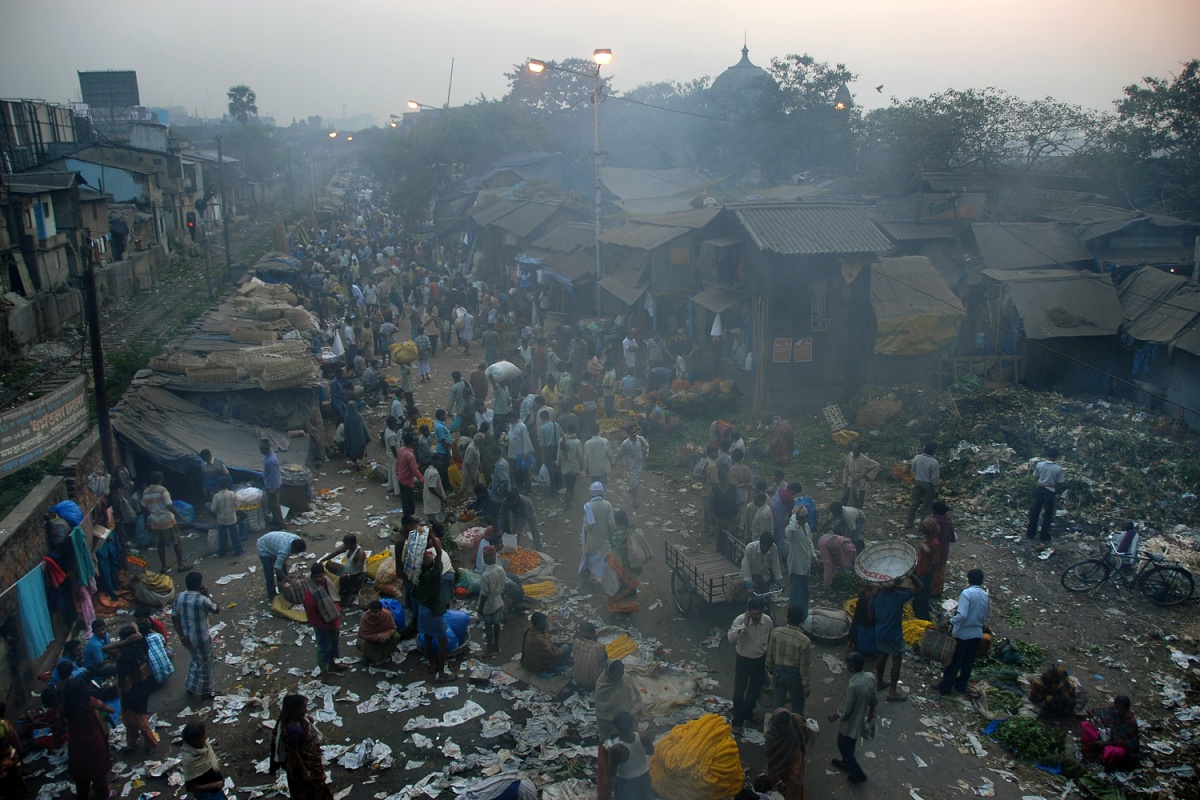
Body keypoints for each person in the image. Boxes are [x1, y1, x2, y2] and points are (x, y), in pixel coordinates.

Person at [60, 677, 115, 800]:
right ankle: (103, 795)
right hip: (94, 741)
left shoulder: (65, 708)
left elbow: (60, 724)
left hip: (76, 744)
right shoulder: (90, 702)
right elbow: (110, 710)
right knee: (99, 774)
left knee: (81, 776)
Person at [937, 568, 989, 695]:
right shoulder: (985, 595)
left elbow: (962, 615)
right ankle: (961, 685)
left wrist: (949, 622)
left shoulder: (967, 593)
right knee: (968, 663)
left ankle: (946, 686)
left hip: (964, 634)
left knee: (955, 662)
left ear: (969, 579)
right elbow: (984, 616)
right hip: (977, 634)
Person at [827, 651, 876, 785]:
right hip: (860, 718)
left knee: (843, 745)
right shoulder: (870, 677)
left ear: (852, 667)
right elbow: (873, 698)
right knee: (850, 744)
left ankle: (857, 773)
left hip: (850, 722)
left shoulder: (853, 686)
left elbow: (846, 709)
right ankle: (846, 763)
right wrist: (871, 711)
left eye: (847, 664)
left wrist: (834, 715)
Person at [273, 694, 334, 800]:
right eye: (303, 708)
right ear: (294, 711)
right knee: (309, 792)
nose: (305, 710)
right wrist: (305, 772)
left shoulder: (299, 720)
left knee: (319, 787)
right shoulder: (294, 731)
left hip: (311, 761)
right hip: (304, 766)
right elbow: (294, 752)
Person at [728, 596, 774, 734]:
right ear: (748, 612)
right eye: (754, 614)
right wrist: (744, 626)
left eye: (759, 613)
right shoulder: (740, 620)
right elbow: (731, 638)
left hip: (759, 660)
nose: (757, 617)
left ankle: (748, 712)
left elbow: (770, 639)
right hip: (743, 659)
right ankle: (737, 721)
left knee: (754, 690)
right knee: (739, 691)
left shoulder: (767, 621)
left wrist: (769, 660)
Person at [173, 571, 220, 700]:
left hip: (187, 636)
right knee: (206, 663)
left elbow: (174, 617)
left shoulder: (179, 597)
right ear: (199, 584)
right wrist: (207, 594)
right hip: (201, 638)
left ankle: (191, 687)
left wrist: (181, 636)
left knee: (194, 661)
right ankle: (205, 692)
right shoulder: (202, 600)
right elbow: (216, 609)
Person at [872, 576, 918, 702]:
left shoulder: (877, 595)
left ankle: (879, 681)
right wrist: (912, 574)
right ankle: (892, 691)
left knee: (883, 654)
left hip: (880, 631)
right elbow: (920, 587)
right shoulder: (898, 596)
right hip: (894, 634)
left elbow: (870, 613)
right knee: (896, 660)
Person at [114, 625, 158, 755]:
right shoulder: (142, 645)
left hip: (131, 692)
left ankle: (151, 744)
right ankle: (132, 741)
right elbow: (133, 625)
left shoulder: (122, 654)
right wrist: (137, 633)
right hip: (142, 687)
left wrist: (124, 642)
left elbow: (104, 648)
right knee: (132, 718)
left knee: (138, 720)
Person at [142, 471, 193, 573]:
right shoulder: (162, 490)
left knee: (160, 544)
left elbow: (145, 509)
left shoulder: (145, 492)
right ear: (160, 480)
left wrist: (146, 522)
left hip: (155, 522)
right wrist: (180, 517)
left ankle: (164, 566)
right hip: (167, 520)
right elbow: (169, 505)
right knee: (176, 541)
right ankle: (181, 564)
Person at [414, 547, 453, 683]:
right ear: (432, 564)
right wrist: (430, 533)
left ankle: (432, 664)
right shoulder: (435, 574)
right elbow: (440, 552)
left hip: (422, 609)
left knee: (428, 636)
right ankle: (441, 673)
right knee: (443, 640)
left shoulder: (418, 575)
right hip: (433, 611)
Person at [766, 605, 812, 716]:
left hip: (778, 672)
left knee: (777, 704)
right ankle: (796, 727)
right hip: (794, 676)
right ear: (802, 619)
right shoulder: (804, 640)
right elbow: (804, 667)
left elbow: (769, 655)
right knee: (797, 706)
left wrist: (770, 669)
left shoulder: (776, 632)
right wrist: (806, 686)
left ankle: (776, 727)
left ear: (787, 617)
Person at [302, 563, 346, 677]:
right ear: (312, 576)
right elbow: (312, 616)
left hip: (333, 620)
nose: (319, 579)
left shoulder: (327, 582)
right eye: (316, 577)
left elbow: (333, 597)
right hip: (322, 624)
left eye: (321, 576)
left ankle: (332, 664)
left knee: (333, 644)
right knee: (324, 648)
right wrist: (322, 625)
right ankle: (324, 673)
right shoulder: (310, 595)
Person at [1081, 696, 1139, 771]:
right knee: (1085, 725)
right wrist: (1100, 723)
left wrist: (1106, 743)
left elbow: (1125, 744)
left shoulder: (1130, 723)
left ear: (1127, 710)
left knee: (1114, 751)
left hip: (1120, 746)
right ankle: (1091, 750)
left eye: (1121, 710)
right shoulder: (1111, 710)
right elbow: (1091, 711)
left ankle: (1107, 763)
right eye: (1116, 708)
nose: (1117, 711)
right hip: (1109, 736)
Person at [606, 711, 654, 800]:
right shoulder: (643, 736)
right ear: (631, 724)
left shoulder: (617, 749)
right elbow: (651, 751)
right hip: (644, 777)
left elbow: (612, 771)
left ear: (618, 728)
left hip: (626, 782)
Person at [763, 707, 808, 800]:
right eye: (782, 727)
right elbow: (771, 761)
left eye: (787, 725)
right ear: (776, 725)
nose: (785, 729)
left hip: (793, 762)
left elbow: (804, 732)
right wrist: (779, 781)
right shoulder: (771, 737)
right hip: (777, 769)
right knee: (777, 790)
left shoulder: (793, 724)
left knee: (793, 785)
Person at [605, 510, 643, 613]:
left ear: (617, 521)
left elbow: (613, 552)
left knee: (620, 587)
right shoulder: (632, 530)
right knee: (630, 588)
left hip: (623, 567)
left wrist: (607, 559)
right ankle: (631, 606)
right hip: (633, 565)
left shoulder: (617, 535)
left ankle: (620, 607)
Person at [1026, 446, 1065, 545]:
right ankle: (1044, 535)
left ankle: (1030, 533)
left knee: (1035, 511)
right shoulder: (1058, 469)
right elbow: (1060, 482)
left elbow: (1036, 476)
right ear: (1056, 457)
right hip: (1050, 491)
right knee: (1048, 514)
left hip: (1040, 489)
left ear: (1047, 455)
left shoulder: (1039, 465)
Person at [595, 659, 642, 738]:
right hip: (609, 722)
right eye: (617, 675)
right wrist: (618, 720)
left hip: (627, 717)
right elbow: (602, 711)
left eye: (621, 674)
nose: (620, 677)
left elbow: (636, 698)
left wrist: (628, 714)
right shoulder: (602, 686)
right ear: (610, 674)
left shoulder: (625, 678)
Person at [181, 722, 227, 800]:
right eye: (202, 738)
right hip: (208, 795)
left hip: (217, 789)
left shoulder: (203, 747)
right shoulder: (190, 760)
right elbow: (190, 787)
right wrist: (215, 785)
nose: (205, 738)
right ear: (192, 740)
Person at [581, 482, 615, 583]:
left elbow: (586, 525)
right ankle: (600, 574)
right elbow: (611, 523)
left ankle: (587, 570)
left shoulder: (588, 506)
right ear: (602, 492)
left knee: (589, 554)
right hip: (604, 537)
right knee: (601, 558)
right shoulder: (607, 505)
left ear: (591, 493)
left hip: (592, 538)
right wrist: (611, 535)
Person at [256, 531, 306, 601]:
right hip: (263, 547)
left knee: (283, 567)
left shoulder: (297, 539)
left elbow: (281, 563)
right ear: (293, 549)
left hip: (273, 543)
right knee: (269, 573)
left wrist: (283, 563)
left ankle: (283, 589)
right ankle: (272, 596)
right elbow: (277, 568)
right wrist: (288, 580)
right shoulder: (284, 551)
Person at [784, 506, 814, 619]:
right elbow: (790, 531)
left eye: (806, 516)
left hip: (806, 566)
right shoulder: (792, 530)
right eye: (802, 517)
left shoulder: (806, 526)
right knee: (796, 594)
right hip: (797, 566)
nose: (804, 519)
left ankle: (803, 616)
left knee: (805, 593)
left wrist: (814, 555)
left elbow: (809, 542)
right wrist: (794, 516)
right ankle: (793, 618)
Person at [321, 534, 367, 604]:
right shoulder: (348, 548)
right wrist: (322, 560)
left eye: (346, 544)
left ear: (351, 544)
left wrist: (348, 575)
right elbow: (336, 552)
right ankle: (344, 585)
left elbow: (360, 571)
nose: (344, 546)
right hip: (346, 569)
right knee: (329, 564)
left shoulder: (359, 553)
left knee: (343, 579)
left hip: (356, 575)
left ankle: (349, 593)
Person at [478, 546, 506, 656]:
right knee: (497, 624)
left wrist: (480, 609)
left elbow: (484, 594)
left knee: (488, 626)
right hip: (499, 601)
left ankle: (489, 648)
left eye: (485, 556)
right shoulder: (500, 569)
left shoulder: (486, 575)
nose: (484, 558)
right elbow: (503, 586)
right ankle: (496, 645)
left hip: (489, 604)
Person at [905, 443, 940, 530]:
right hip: (928, 485)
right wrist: (936, 489)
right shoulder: (934, 462)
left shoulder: (917, 457)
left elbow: (913, 470)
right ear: (933, 451)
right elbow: (935, 478)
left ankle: (909, 523)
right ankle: (922, 528)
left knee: (914, 504)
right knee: (926, 507)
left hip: (917, 482)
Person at [911, 520, 941, 621]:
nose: (923, 529)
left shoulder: (934, 543)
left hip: (925, 574)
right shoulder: (926, 539)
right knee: (917, 595)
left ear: (930, 530)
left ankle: (922, 618)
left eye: (925, 528)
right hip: (920, 570)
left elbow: (935, 563)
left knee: (922, 597)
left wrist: (926, 574)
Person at [614, 424, 649, 509]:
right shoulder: (625, 444)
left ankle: (632, 493)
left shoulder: (640, 439)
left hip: (640, 463)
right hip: (632, 465)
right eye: (632, 433)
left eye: (634, 432)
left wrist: (646, 454)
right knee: (634, 481)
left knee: (635, 480)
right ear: (628, 433)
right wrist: (614, 461)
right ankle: (635, 499)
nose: (634, 434)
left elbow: (647, 446)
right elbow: (620, 454)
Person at [356, 599, 400, 666]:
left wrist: (386, 635)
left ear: (381, 610)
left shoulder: (387, 614)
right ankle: (368, 655)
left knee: (396, 636)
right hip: (371, 640)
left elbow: (392, 628)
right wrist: (376, 637)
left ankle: (387, 652)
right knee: (360, 642)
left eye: (376, 612)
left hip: (385, 638)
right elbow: (361, 634)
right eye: (372, 611)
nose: (373, 614)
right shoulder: (365, 617)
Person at [208, 477, 243, 557]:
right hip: (232, 518)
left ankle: (222, 553)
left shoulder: (216, 496)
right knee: (234, 536)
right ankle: (239, 551)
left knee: (222, 537)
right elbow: (237, 505)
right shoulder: (232, 494)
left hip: (221, 519)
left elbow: (213, 509)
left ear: (218, 486)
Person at [926, 500, 956, 597]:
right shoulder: (948, 520)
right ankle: (937, 591)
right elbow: (952, 537)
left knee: (931, 568)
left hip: (933, 549)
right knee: (940, 570)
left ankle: (929, 590)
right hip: (944, 549)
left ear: (934, 510)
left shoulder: (933, 521)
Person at [571, 621, 608, 690]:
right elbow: (603, 658)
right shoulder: (600, 646)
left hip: (576, 678)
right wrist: (595, 639)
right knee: (604, 657)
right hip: (592, 683)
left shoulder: (576, 642)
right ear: (594, 633)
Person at [841, 442, 880, 509]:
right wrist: (845, 481)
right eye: (853, 449)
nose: (854, 451)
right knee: (844, 500)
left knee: (858, 503)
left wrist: (867, 476)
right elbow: (846, 469)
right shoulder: (850, 455)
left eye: (856, 449)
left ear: (859, 450)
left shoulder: (864, 459)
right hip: (850, 482)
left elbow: (877, 465)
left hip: (859, 483)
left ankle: (858, 516)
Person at [136, 618, 173, 687]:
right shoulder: (157, 636)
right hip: (170, 671)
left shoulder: (139, 643)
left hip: (155, 680)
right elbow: (164, 645)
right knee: (168, 650)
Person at [709, 468, 740, 542]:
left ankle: (729, 552)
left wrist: (738, 516)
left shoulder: (733, 489)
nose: (726, 483)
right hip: (718, 517)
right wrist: (711, 516)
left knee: (730, 537)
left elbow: (738, 502)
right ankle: (717, 551)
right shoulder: (714, 489)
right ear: (719, 480)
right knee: (718, 536)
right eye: (724, 481)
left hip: (731, 517)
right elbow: (711, 503)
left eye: (727, 481)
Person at [507, 411, 534, 493]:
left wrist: (526, 453)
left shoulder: (522, 426)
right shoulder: (511, 426)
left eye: (510, 418)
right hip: (512, 453)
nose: (508, 419)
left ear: (514, 418)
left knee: (524, 472)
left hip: (521, 454)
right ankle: (520, 488)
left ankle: (528, 489)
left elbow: (526, 440)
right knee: (516, 473)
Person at [558, 425, 584, 509]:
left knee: (568, 484)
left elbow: (559, 454)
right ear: (574, 431)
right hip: (574, 467)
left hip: (564, 467)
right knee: (570, 485)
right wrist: (582, 465)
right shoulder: (577, 442)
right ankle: (567, 503)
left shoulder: (562, 440)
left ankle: (571, 496)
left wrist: (558, 463)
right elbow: (580, 456)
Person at [396, 432, 421, 517]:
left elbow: (398, 462)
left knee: (404, 500)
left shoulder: (400, 450)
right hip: (407, 480)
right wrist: (422, 479)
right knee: (409, 501)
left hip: (400, 478)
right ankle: (409, 518)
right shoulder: (410, 455)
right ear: (412, 442)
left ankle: (406, 516)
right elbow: (415, 470)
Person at [342, 402, 370, 467]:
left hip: (351, 438)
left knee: (353, 451)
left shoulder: (346, 416)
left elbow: (346, 428)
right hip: (360, 438)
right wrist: (367, 437)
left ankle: (355, 462)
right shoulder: (358, 416)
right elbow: (364, 427)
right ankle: (358, 463)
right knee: (359, 451)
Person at [423, 453, 447, 524]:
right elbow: (431, 488)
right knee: (438, 521)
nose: (441, 463)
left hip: (427, 498)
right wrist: (442, 497)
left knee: (431, 519)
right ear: (435, 460)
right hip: (434, 500)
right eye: (440, 461)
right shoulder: (434, 473)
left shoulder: (427, 470)